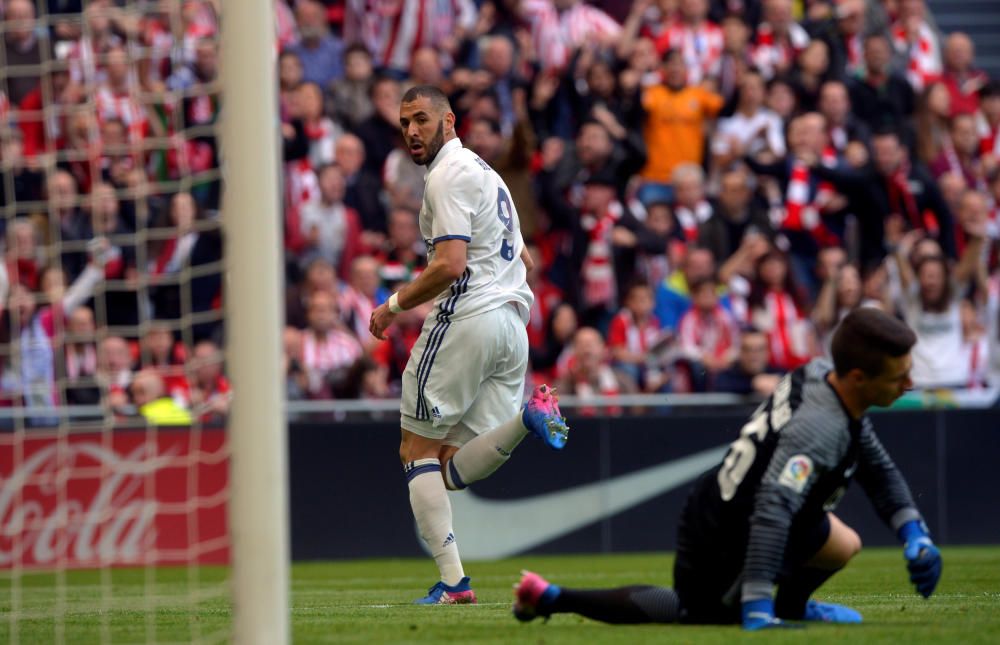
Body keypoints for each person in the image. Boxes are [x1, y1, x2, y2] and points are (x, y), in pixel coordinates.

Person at [513, 308, 943, 629]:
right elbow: (772, 507)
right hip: (723, 529)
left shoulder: (822, 376)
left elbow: (877, 468)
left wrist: (914, 533)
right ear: (858, 377)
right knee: (692, 614)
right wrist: (756, 601)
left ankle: (791, 605)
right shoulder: (819, 428)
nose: (908, 385)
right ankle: (552, 597)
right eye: (897, 377)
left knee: (844, 542)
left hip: (758, 505)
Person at [368, 85, 570, 605]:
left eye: (420, 119)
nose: (412, 131)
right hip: (511, 327)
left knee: (415, 449)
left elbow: (450, 264)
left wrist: (392, 307)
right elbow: (522, 256)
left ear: (449, 121)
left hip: (469, 318)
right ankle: (529, 419)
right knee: (450, 466)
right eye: (404, 123)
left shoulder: (447, 177)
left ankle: (455, 584)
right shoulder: (487, 175)